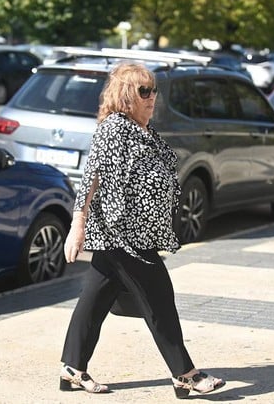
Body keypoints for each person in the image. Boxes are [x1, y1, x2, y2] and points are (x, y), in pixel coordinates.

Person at [59, 62, 225, 399]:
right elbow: (92, 175)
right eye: (144, 91)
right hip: (123, 233)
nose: (152, 97)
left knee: (94, 300)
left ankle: (72, 368)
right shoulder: (114, 129)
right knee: (159, 298)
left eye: (153, 90)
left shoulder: (142, 130)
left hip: (137, 234)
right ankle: (185, 374)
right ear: (125, 95)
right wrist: (78, 224)